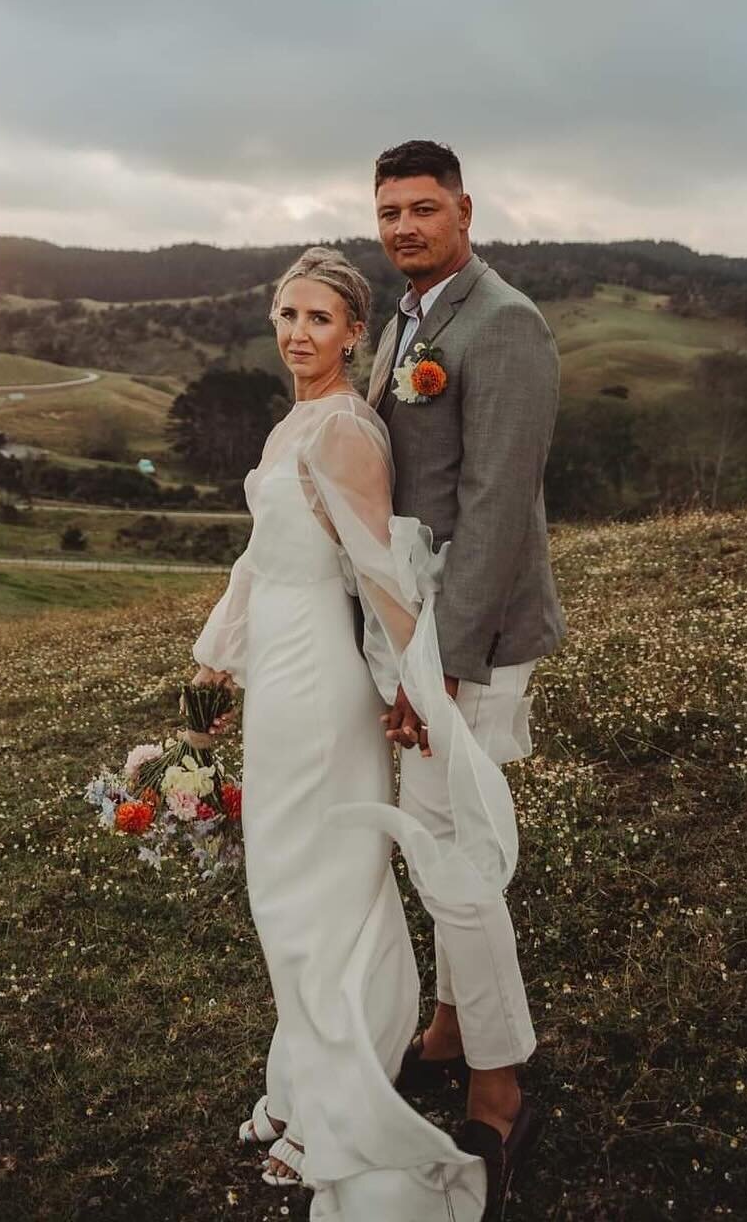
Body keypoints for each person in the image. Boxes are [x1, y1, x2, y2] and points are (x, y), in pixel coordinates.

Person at [192, 245, 530, 1221]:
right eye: (287, 315)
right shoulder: (289, 425)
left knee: (329, 888)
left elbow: (382, 576)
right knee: (282, 887)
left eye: (319, 319)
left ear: (352, 333)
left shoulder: (347, 431)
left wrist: (410, 683)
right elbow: (259, 561)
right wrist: (215, 656)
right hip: (274, 684)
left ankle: (346, 1097)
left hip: (322, 686)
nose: (299, 333)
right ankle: (304, 1078)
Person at [365, 139, 566, 1207]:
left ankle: (500, 1085)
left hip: (471, 641)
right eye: (390, 209)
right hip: (417, 631)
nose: (404, 227)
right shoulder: (406, 322)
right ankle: (449, 1024)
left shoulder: (507, 325)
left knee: (460, 859)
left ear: (466, 211)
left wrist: (434, 667)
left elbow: (494, 510)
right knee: (433, 833)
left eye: (424, 208)